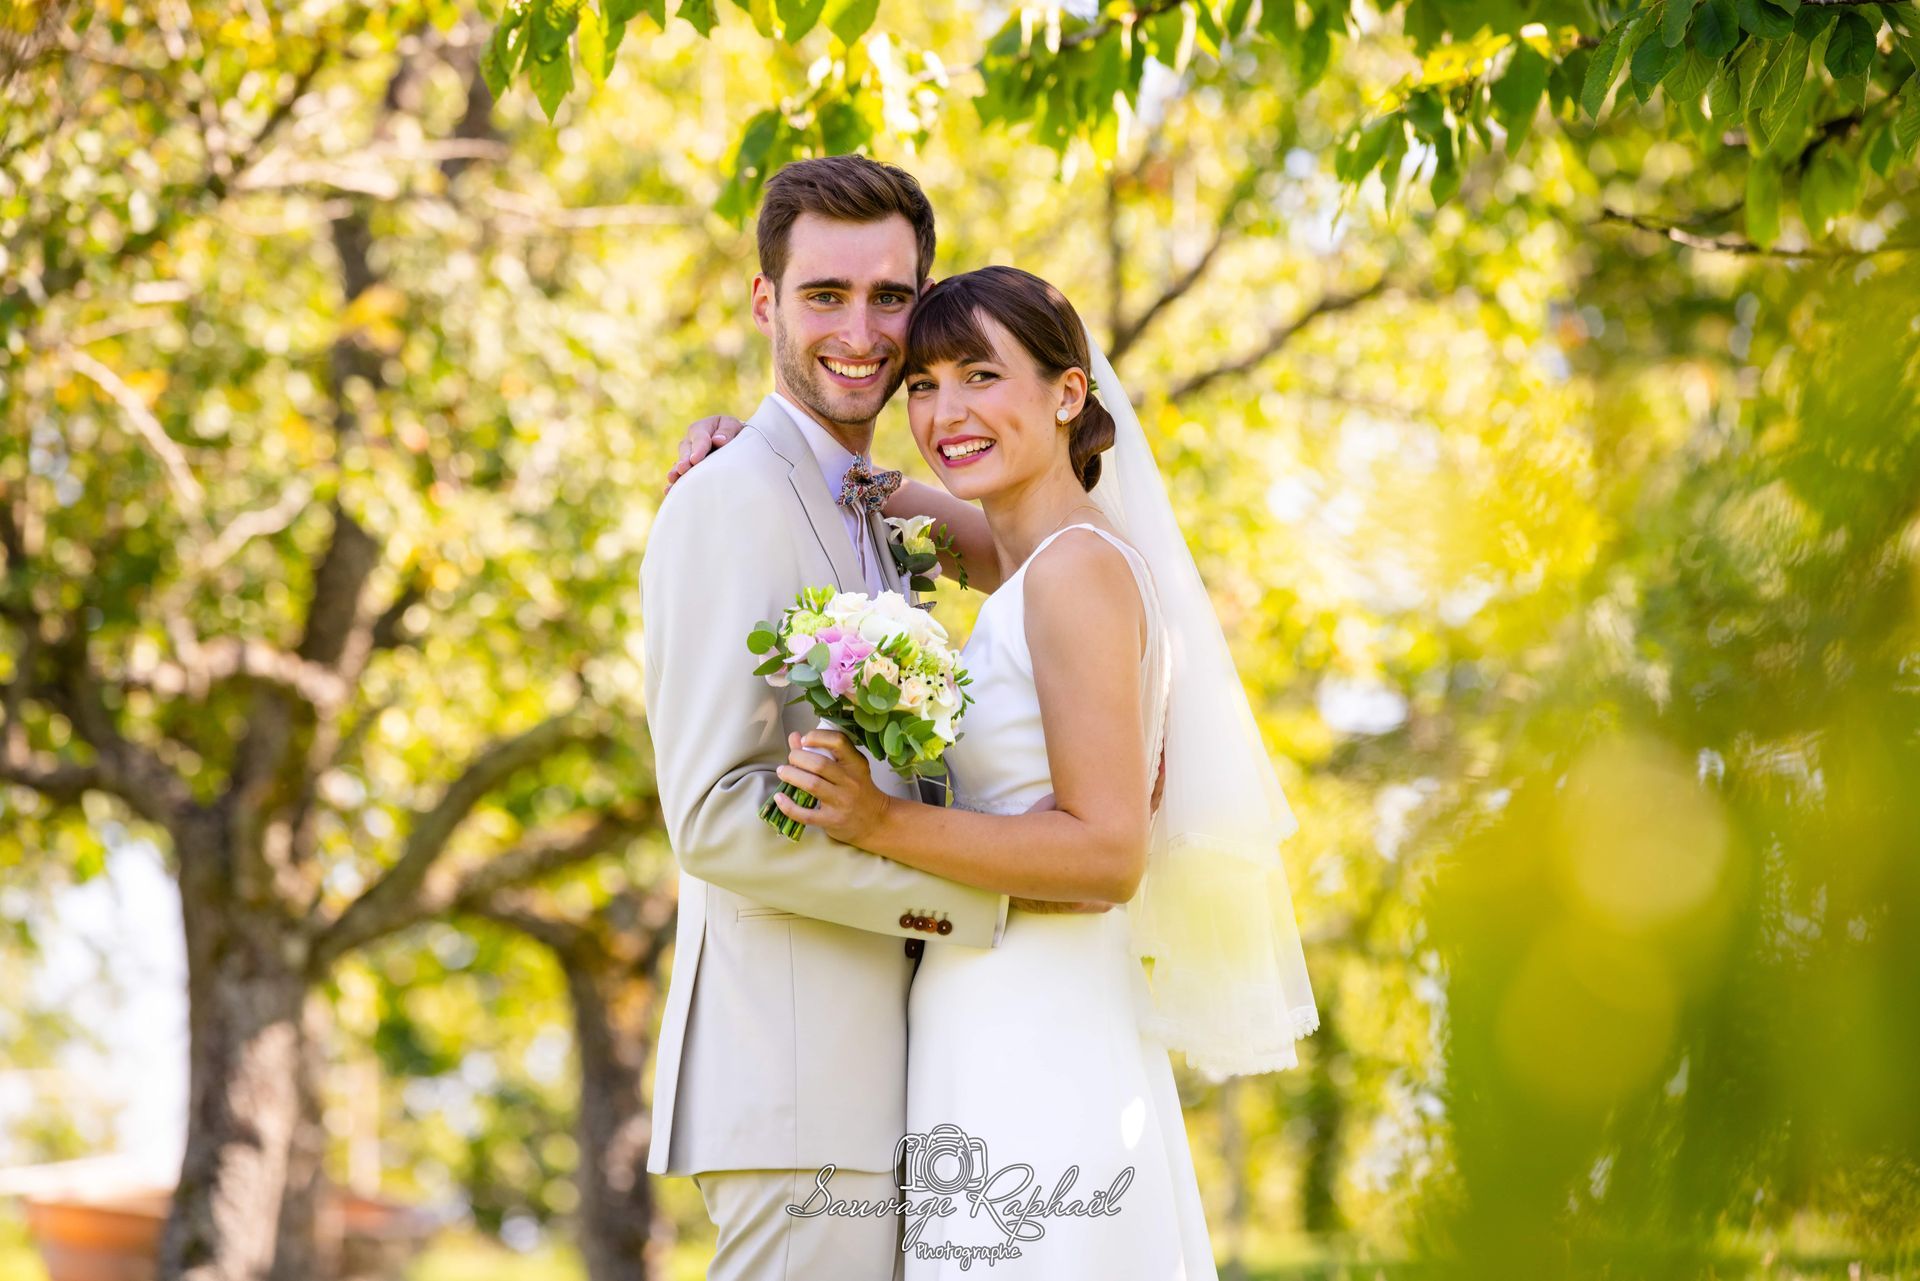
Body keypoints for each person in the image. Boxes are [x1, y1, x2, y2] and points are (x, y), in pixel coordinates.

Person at [669, 262, 1320, 1277]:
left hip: (1039, 1022)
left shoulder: (1075, 576)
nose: (943, 411)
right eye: (922, 384)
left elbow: (1109, 854)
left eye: (980, 375)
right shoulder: (1034, 557)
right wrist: (744, 447)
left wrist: (879, 826)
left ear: (1069, 393)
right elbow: (895, 502)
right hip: (985, 1012)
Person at [639, 155, 1019, 1280]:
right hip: (798, 1089)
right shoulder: (727, 498)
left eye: (890, 297)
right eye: (824, 295)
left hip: (902, 1083)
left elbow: (1041, 557)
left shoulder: (867, 503)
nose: (861, 330)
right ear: (765, 302)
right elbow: (713, 817)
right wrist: (972, 899)